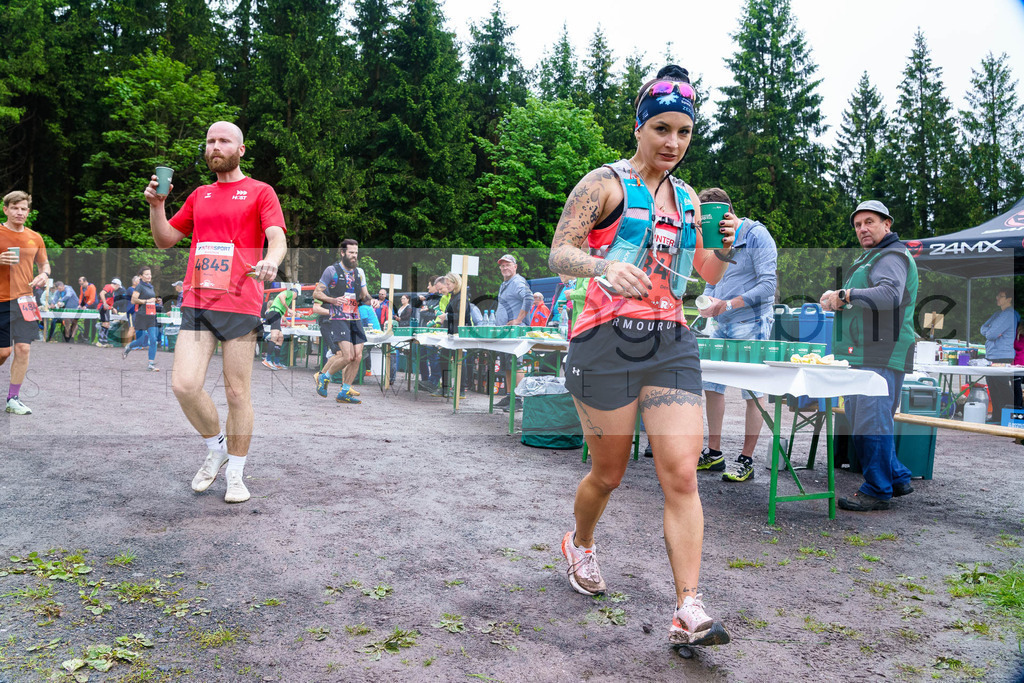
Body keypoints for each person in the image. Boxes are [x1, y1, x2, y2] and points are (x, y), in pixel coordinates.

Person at [548, 65, 734, 647]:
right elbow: (560, 252)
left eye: (683, 131)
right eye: (661, 129)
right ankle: (579, 543)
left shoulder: (686, 198)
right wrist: (606, 265)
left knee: (680, 474)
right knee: (609, 473)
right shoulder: (601, 184)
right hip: (603, 342)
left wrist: (724, 250)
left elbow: (698, 276)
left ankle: (690, 607)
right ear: (639, 126)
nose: (672, 143)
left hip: (670, 340)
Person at [144, 120, 287, 504]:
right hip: (197, 300)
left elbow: (277, 237)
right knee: (184, 385)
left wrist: (272, 261)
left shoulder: (260, 191)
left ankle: (236, 475)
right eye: (210, 141)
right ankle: (216, 447)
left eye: (224, 141)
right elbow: (164, 240)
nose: (215, 146)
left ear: (240, 149)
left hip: (241, 302)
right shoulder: (199, 195)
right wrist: (158, 206)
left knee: (237, 393)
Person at [821, 199, 917, 512]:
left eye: (869, 222)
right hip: (866, 351)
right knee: (870, 420)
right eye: (858, 224)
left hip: (880, 352)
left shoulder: (891, 255)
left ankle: (877, 489)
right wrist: (840, 300)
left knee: (869, 423)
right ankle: (897, 477)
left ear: (887, 224)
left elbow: (889, 294)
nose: (863, 228)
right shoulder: (872, 257)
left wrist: (846, 294)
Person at [694, 187, 778, 481]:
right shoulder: (715, 239)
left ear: (727, 214)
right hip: (719, 320)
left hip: (751, 322)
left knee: (752, 391)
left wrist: (727, 304)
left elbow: (769, 287)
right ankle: (714, 453)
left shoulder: (756, 235)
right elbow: (711, 279)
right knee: (712, 385)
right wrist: (706, 303)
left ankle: (747, 459)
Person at [1, 191, 50, 415]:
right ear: (6, 210)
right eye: (15, 208)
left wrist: (44, 275)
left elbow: (44, 265)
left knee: (23, 349)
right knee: (3, 352)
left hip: (25, 301)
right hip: (1, 300)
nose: (19, 212)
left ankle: (13, 399)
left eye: (23, 209)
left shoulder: (35, 237)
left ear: (28, 212)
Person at [312, 239, 370, 405]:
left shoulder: (360, 272)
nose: (354, 256)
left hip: (355, 317)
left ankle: (344, 392)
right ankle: (325, 377)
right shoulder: (332, 271)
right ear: (343, 253)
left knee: (358, 356)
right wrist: (332, 299)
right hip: (339, 317)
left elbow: (364, 295)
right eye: (351, 252)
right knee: (346, 356)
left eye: (356, 253)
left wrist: (372, 300)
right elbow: (317, 293)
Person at [494, 254, 532, 410]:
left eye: (508, 265)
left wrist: (518, 319)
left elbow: (528, 298)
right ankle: (510, 396)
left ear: (515, 266)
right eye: (502, 266)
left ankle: (518, 400)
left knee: (516, 364)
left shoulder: (517, 282)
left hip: (515, 331)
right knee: (508, 365)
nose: (504, 268)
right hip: (506, 332)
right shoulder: (505, 284)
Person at [980, 288, 1019, 422]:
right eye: (998, 295)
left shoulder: (1009, 315)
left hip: (1002, 356)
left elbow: (990, 334)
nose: (997, 297)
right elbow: (983, 329)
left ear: (1009, 299)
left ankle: (1010, 418)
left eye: (1001, 296)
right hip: (992, 355)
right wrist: (991, 330)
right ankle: (997, 416)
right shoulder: (998, 314)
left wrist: (991, 331)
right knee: (993, 387)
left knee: (1002, 387)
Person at [122, 266, 161, 371]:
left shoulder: (150, 287)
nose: (149, 276)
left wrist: (155, 301)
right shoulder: (139, 286)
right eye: (147, 274)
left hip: (151, 316)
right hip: (141, 316)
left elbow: (150, 299)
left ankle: (150, 364)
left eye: (150, 274)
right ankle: (128, 347)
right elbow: (133, 301)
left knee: (153, 340)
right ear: (141, 276)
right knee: (140, 341)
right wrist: (147, 301)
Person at [262, 288, 296, 370]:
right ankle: (267, 359)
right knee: (275, 336)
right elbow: (281, 296)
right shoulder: (290, 293)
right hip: (274, 314)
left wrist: (286, 321)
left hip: (277, 314)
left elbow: (280, 311)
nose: (294, 298)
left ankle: (276, 362)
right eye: (296, 296)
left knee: (280, 338)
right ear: (295, 292)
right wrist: (288, 309)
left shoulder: (282, 302)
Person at [96, 279, 118, 347]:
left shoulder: (112, 291)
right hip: (103, 307)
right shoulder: (109, 287)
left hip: (107, 308)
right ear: (116, 285)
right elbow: (102, 293)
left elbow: (110, 301)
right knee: (105, 323)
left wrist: (112, 308)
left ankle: (104, 341)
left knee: (107, 324)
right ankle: (100, 341)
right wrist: (104, 303)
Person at [1014, 321, 1024, 410]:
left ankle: (1018, 407)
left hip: (1018, 364)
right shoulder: (1017, 335)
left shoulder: (1017, 336)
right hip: (1018, 364)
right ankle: (1018, 406)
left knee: (1016, 387)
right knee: (1016, 387)